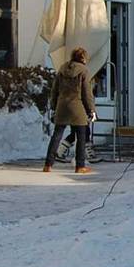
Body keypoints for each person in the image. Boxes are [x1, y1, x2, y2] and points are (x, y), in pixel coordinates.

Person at [44, 47, 96, 175]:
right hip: (77, 107)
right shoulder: (84, 71)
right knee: (81, 135)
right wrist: (91, 110)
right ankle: (80, 166)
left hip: (62, 106)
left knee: (57, 135)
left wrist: (54, 105)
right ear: (83, 58)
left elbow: (54, 90)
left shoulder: (62, 69)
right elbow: (86, 94)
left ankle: (48, 164)